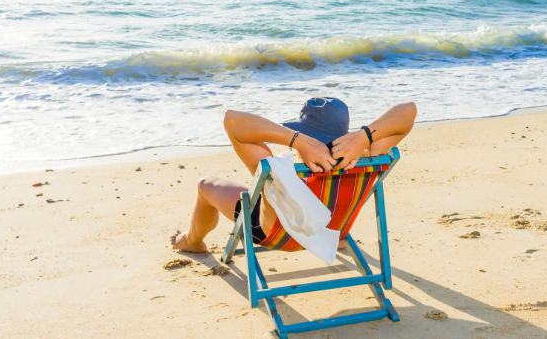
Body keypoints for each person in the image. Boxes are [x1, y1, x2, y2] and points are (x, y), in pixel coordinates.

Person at [170, 97, 417, 253]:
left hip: (282, 238)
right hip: (334, 230)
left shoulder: (280, 172)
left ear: (304, 132)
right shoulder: (369, 157)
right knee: (331, 200)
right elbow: (409, 110)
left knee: (206, 186)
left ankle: (191, 241)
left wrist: (297, 141)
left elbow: (232, 120)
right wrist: (363, 136)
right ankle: (338, 239)